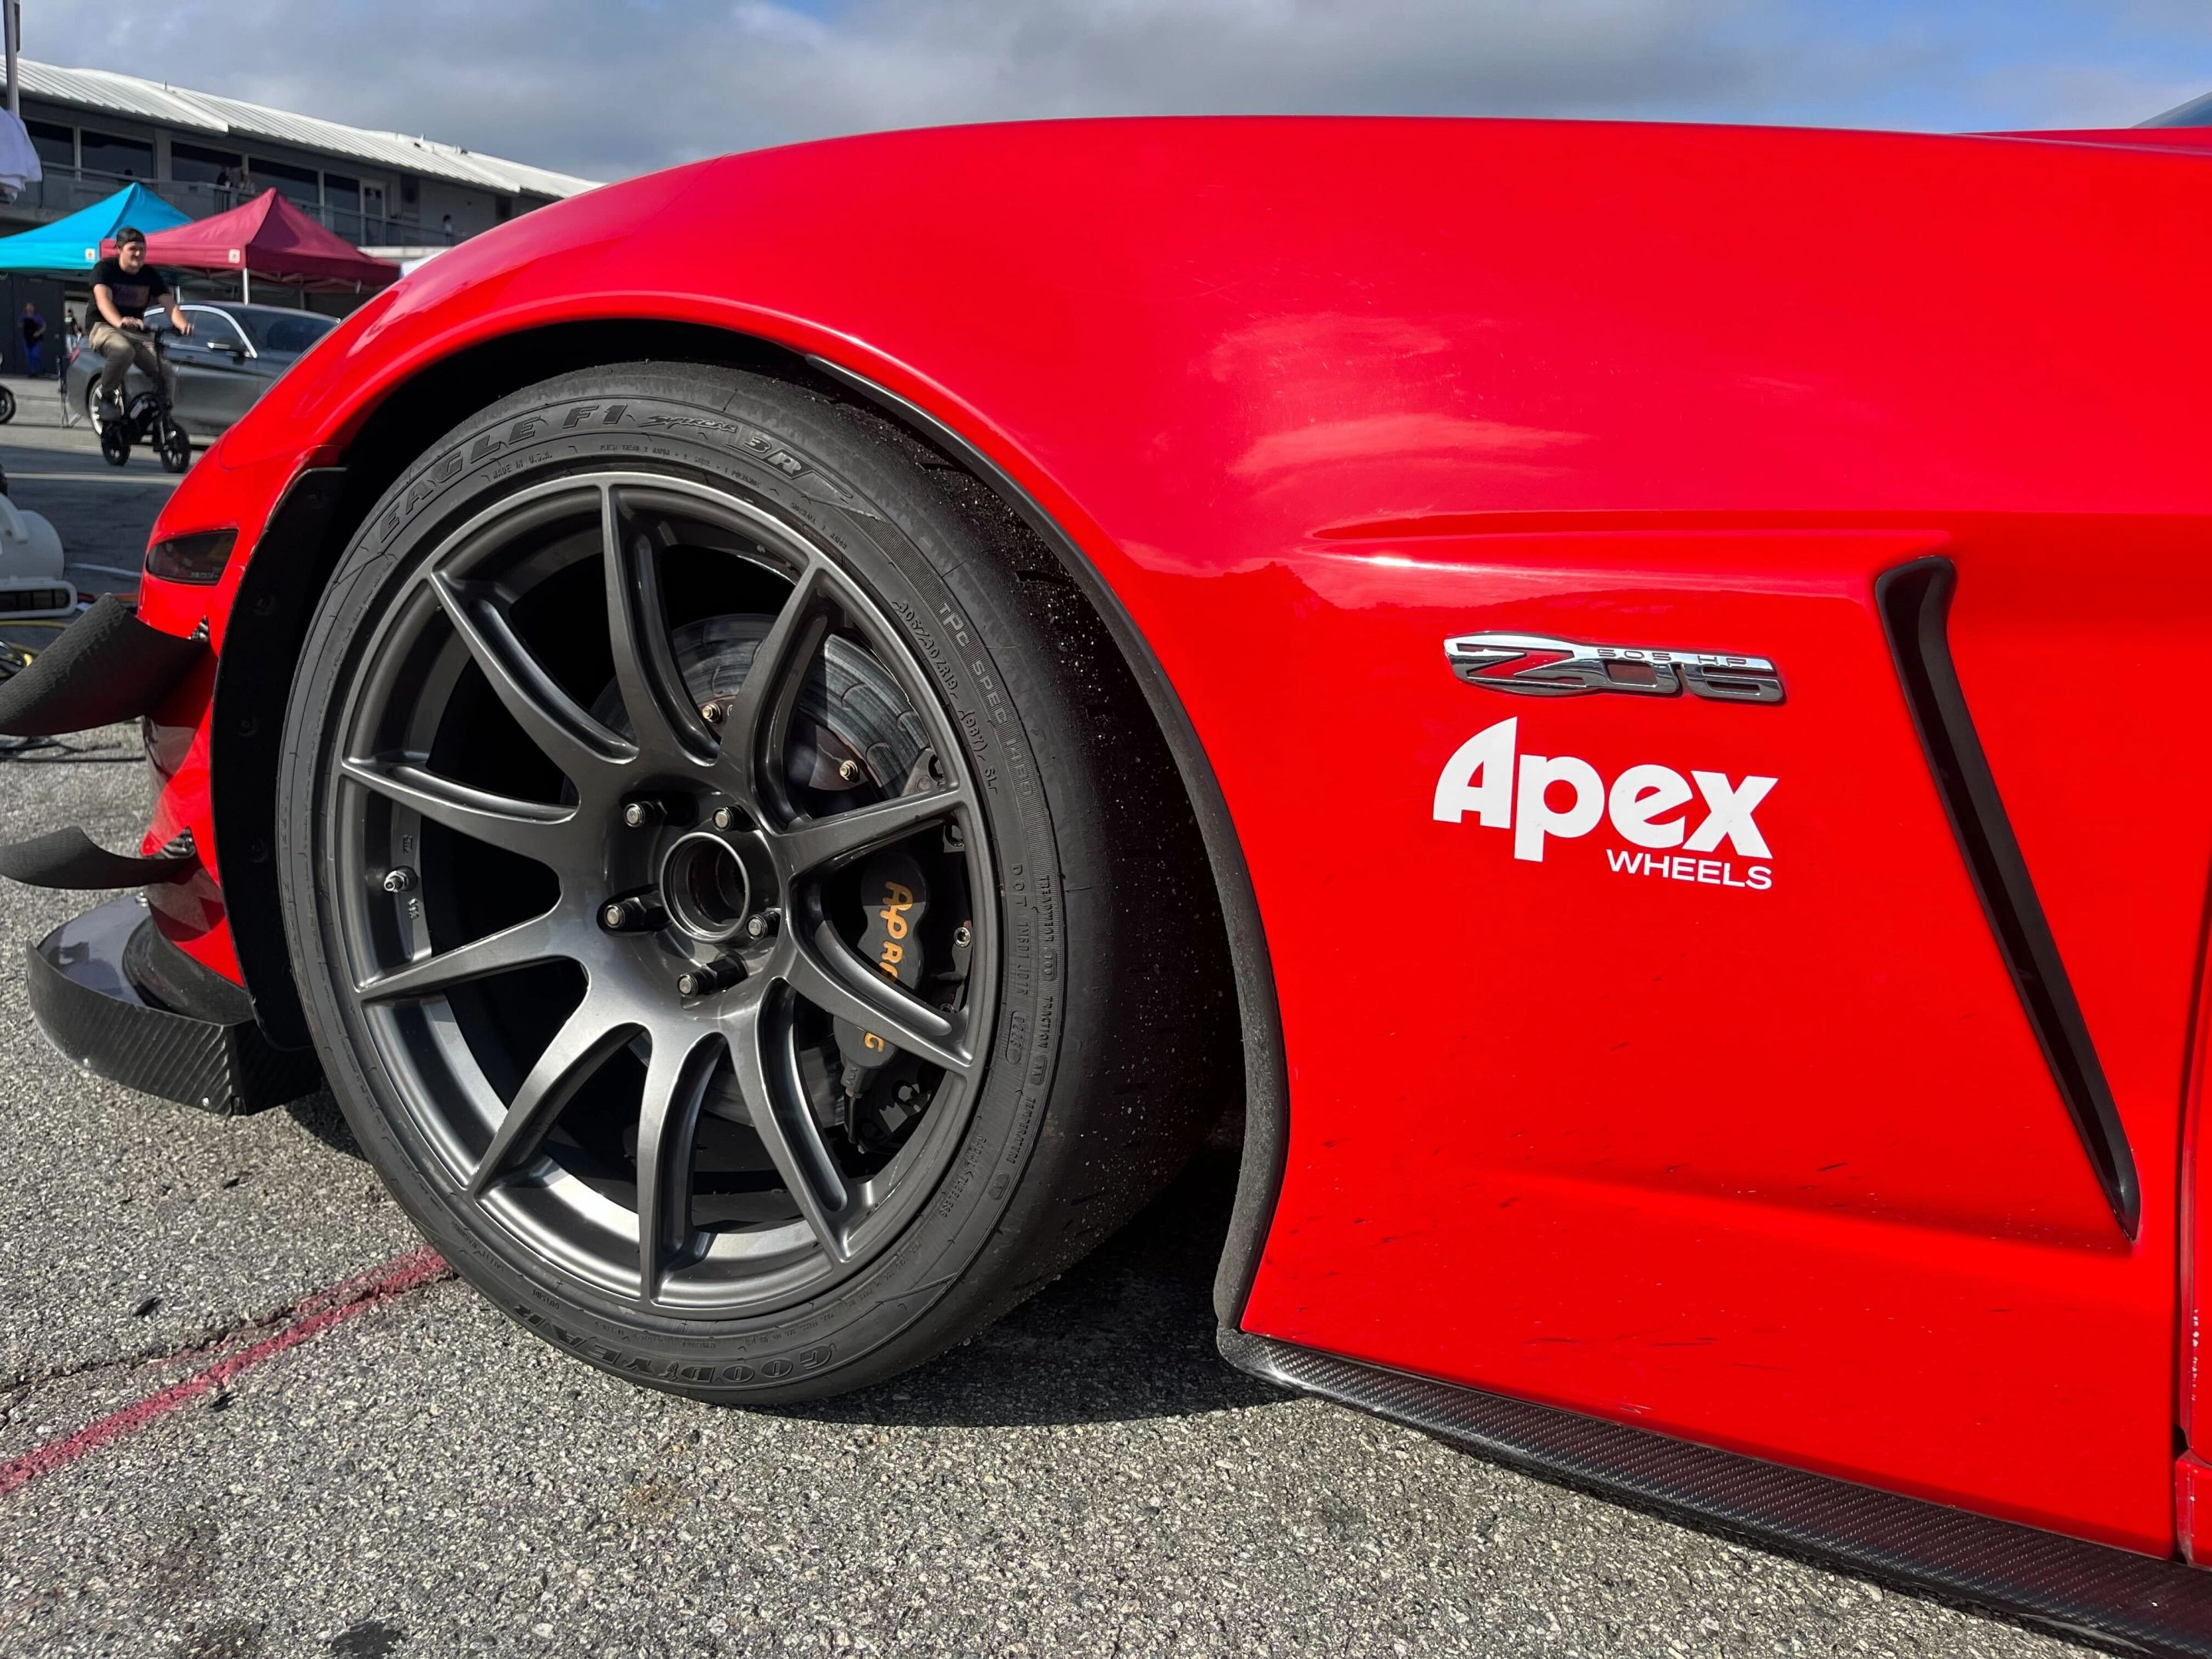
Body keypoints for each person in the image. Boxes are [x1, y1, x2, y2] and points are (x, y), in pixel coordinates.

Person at [88, 226, 191, 419]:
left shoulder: (149, 275)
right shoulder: (105, 269)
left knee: (166, 372)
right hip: (103, 327)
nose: (138, 254)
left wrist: (182, 324)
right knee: (123, 350)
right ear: (119, 249)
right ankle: (107, 397)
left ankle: (161, 418)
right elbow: (103, 301)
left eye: (142, 249)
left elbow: (170, 304)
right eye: (132, 249)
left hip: (135, 332)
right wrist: (119, 321)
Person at [18, 303, 43, 376]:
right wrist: (23, 324)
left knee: (35, 355)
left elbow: (44, 326)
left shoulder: (37, 317)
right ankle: (32, 371)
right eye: (28, 308)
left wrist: (39, 332)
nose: (30, 309)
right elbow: (19, 324)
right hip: (27, 339)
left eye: (31, 308)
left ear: (33, 308)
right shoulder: (23, 316)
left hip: (35, 339)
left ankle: (41, 367)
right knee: (29, 356)